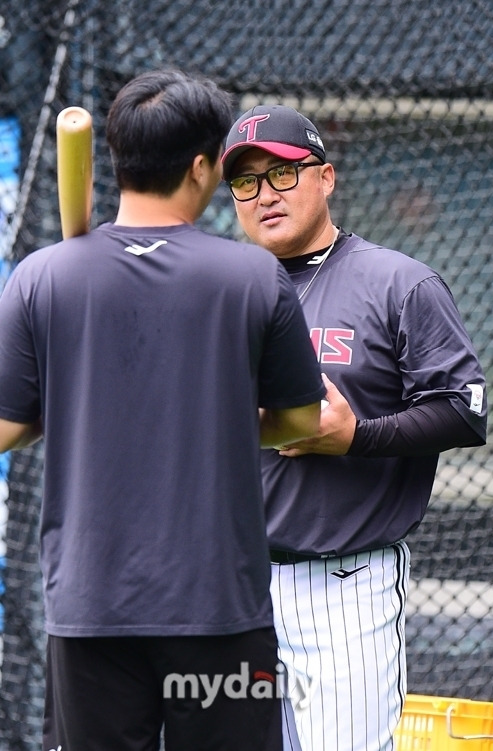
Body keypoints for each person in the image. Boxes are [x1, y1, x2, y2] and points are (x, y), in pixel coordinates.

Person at [0, 74, 327, 751]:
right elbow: (301, 421)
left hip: (91, 609)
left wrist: (69, 404)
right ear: (204, 166)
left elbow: (6, 426)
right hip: (222, 611)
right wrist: (227, 416)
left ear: (118, 160)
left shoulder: (41, 277)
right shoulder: (254, 277)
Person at [221, 104, 488, 751]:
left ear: (327, 176)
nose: (265, 195)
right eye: (246, 181)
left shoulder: (398, 282)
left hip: (344, 588)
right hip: (235, 589)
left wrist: (357, 436)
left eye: (282, 174)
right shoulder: (221, 291)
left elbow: (465, 409)